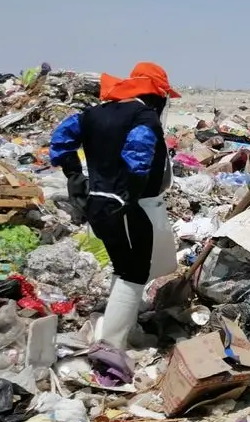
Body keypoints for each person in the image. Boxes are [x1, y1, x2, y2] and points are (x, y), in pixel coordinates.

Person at [49, 62, 180, 350]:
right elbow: (139, 152)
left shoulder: (93, 114)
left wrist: (74, 176)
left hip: (98, 205)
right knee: (135, 272)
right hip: (127, 207)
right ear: (155, 93)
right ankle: (112, 346)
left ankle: (124, 330)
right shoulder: (143, 116)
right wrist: (129, 195)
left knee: (123, 268)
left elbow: (61, 139)